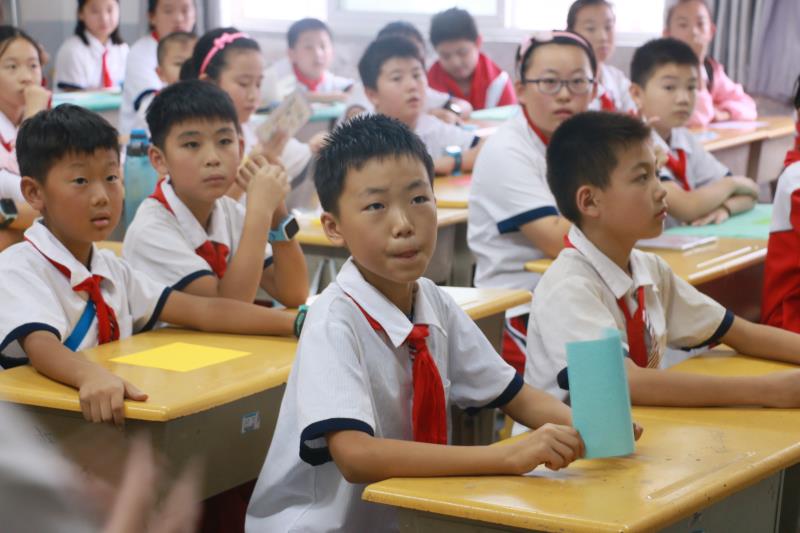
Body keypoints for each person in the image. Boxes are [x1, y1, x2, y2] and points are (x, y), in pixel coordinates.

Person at [244, 114, 624, 533]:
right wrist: (504, 455)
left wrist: (598, 429)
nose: (404, 224)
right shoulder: (333, 321)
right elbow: (355, 456)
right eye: (375, 206)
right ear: (334, 227)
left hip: (403, 519)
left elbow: (515, 395)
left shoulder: (432, 301)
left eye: (418, 199)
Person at [0, 103, 302, 426]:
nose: (102, 196)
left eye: (111, 177)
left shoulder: (112, 270)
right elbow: (41, 346)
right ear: (34, 192)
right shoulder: (18, 267)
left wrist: (297, 323)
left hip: (104, 422)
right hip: (34, 433)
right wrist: (89, 375)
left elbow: (205, 310)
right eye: (80, 181)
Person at [522, 111, 800, 427]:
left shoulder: (648, 268)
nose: (661, 189)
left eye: (657, 173)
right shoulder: (569, 286)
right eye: (642, 178)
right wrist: (766, 390)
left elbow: (739, 332)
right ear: (589, 202)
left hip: (637, 435)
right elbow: (624, 383)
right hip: (566, 453)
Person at [467, 30, 595, 372]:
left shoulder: (589, 141)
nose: (565, 95)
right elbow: (558, 240)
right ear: (521, 90)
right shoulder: (506, 150)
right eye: (550, 82)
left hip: (578, 296)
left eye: (578, 82)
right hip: (520, 306)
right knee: (597, 379)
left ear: (594, 89)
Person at [123, 80, 308, 307]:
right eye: (192, 144)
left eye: (224, 141)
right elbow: (228, 309)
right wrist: (260, 212)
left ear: (241, 149)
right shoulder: (151, 231)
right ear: (159, 160)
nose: (213, 158)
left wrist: (277, 212)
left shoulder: (229, 212)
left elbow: (294, 294)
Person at [629, 38, 757, 227]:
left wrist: (725, 208)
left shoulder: (684, 139)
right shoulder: (633, 145)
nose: (683, 99)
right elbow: (687, 207)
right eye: (669, 87)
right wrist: (732, 184)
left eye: (691, 87)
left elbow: (750, 194)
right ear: (636, 94)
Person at [358, 36, 481, 175]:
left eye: (416, 75)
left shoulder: (431, 127)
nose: (412, 85)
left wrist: (450, 163)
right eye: (397, 78)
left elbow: (486, 147)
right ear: (372, 95)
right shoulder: (361, 137)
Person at [664, 0, 757, 127]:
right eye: (683, 25)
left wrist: (725, 113)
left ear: (711, 32)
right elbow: (696, 118)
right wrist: (695, 62)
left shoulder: (710, 71)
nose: (694, 32)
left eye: (700, 24)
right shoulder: (661, 74)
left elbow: (748, 105)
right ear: (667, 34)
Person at [427, 7, 516, 110]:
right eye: (445, 56)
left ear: (478, 43)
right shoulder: (426, 83)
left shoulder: (499, 83)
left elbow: (511, 118)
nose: (455, 63)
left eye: (462, 53)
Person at [55, 0, 127, 91]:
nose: (104, 18)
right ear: (80, 13)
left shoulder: (123, 49)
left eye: (109, 10)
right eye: (95, 11)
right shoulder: (72, 51)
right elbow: (71, 96)